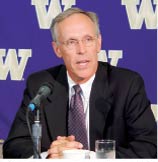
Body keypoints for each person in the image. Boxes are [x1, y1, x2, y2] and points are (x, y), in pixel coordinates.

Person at [3, 7, 157, 159]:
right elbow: (14, 146)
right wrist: (48, 156)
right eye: (71, 42)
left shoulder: (126, 84)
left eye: (88, 39)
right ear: (57, 49)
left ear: (99, 43)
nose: (81, 50)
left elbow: (148, 146)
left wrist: (88, 157)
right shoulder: (41, 85)